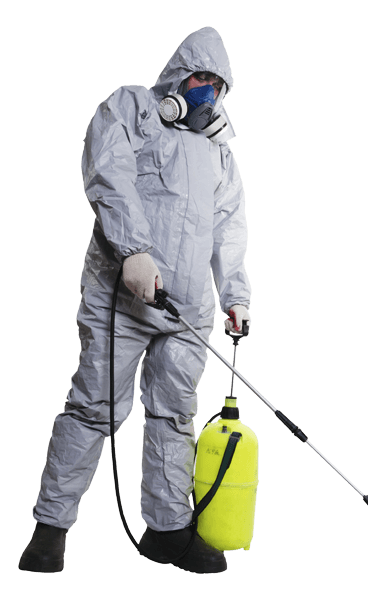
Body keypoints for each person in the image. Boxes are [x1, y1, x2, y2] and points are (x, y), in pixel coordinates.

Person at [19, 25, 251, 574]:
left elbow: (229, 230)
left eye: (217, 84)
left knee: (175, 417)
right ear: (178, 75)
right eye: (199, 77)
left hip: (187, 312)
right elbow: (108, 171)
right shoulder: (135, 109)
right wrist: (134, 250)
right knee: (94, 409)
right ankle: (50, 529)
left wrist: (234, 295)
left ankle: (166, 531)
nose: (207, 91)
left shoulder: (219, 155)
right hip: (123, 298)